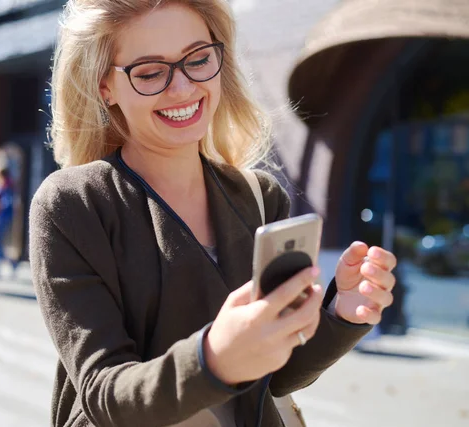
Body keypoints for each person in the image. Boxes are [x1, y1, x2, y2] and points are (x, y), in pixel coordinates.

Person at [28, 1, 398, 427]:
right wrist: (212, 358)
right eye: (150, 72)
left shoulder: (260, 197)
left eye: (199, 59)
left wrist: (341, 313)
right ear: (104, 86)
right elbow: (103, 394)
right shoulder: (72, 204)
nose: (183, 88)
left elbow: (274, 377)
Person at [0, 162, 17, 279]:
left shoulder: (7, 186)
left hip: (2, 217)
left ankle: (2, 265)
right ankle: (8, 263)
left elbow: (7, 202)